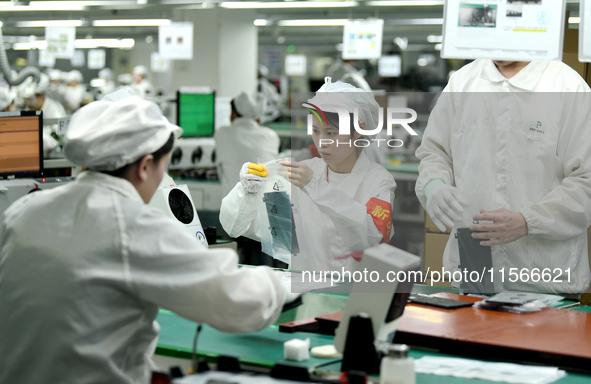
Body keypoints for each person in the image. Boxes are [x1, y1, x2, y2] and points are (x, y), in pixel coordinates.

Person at [0, 96, 291, 384]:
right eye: (162, 168)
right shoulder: (134, 228)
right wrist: (292, 284)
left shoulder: (23, 211)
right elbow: (239, 301)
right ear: (144, 166)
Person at [415, 59, 591, 296]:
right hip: (474, 270)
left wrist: (528, 221)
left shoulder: (567, 86)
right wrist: (434, 184)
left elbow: (586, 179)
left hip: (546, 279)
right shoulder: (464, 82)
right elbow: (434, 151)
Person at [220, 78, 396, 272]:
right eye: (315, 131)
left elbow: (372, 240)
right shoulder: (302, 173)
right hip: (305, 294)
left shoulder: (378, 180)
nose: (321, 142)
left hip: (353, 295)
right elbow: (237, 226)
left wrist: (314, 186)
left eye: (331, 133)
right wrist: (247, 193)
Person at [215, 91, 280, 198]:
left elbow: (221, 172)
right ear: (259, 119)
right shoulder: (272, 136)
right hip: (267, 210)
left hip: (234, 211)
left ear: (232, 115)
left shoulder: (222, 133)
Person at [17, 73, 66, 154]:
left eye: (30, 100)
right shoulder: (30, 108)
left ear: (42, 96)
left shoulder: (55, 111)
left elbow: (58, 140)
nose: (27, 104)